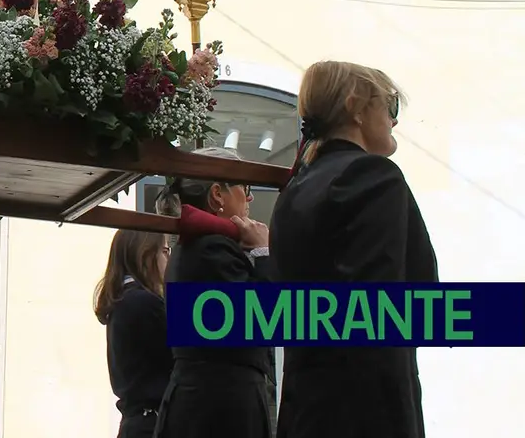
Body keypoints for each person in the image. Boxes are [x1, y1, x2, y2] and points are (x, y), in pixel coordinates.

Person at [270, 61, 438, 438]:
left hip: (305, 409)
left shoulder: (295, 189)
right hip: (364, 410)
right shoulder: (373, 177)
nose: (394, 121)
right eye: (390, 106)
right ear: (357, 107)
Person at [153, 147, 276, 438]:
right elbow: (267, 320)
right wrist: (263, 252)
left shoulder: (198, 246)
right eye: (244, 187)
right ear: (217, 195)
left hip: (208, 402)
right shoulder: (211, 249)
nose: (250, 197)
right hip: (220, 408)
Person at [95, 230, 171, 438]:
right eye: (165, 251)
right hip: (152, 425)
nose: (169, 259)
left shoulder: (124, 301)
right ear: (146, 255)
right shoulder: (144, 303)